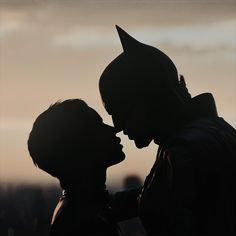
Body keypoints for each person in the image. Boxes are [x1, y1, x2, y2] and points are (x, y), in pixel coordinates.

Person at [99, 26, 236, 236]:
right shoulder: (214, 134)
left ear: (151, 98)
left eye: (121, 110)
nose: (117, 125)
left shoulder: (183, 152)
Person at [27, 99, 126, 236]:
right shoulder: (89, 224)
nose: (113, 129)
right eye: (98, 126)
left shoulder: (79, 206)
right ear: (79, 148)